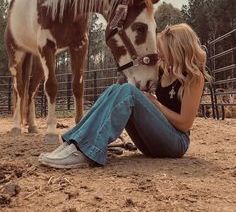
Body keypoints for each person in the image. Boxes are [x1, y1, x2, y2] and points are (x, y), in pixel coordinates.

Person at [38, 23, 211, 169]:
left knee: (128, 92)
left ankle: (86, 151)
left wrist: (156, 104)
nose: (160, 54)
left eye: (164, 50)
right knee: (117, 88)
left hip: (175, 144)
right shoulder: (162, 70)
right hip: (152, 142)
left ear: (177, 49)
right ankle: (74, 142)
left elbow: (184, 123)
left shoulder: (194, 78)